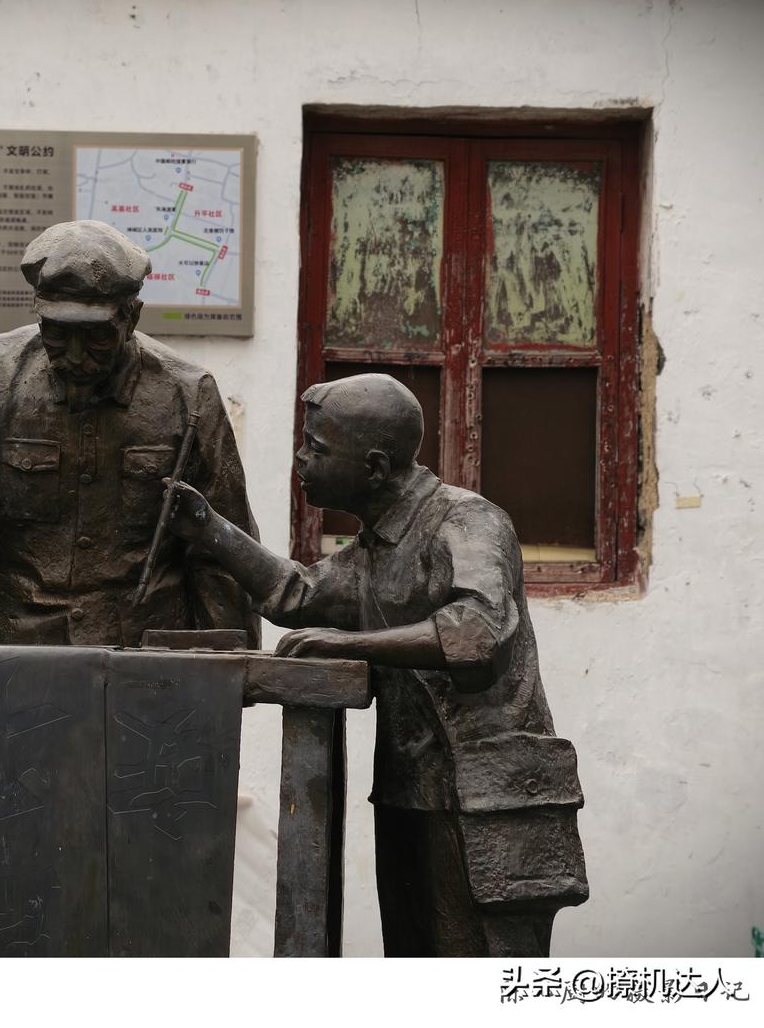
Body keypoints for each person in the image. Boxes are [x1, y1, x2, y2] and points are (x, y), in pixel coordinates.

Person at [165, 373, 587, 957]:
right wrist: (209, 528)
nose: (301, 460)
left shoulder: (467, 521)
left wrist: (350, 645)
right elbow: (297, 594)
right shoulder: (377, 546)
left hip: (487, 799)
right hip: (411, 795)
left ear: (374, 467)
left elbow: (476, 634)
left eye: (316, 447)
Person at [0, 219, 259, 647]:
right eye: (58, 334)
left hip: (142, 655)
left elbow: (224, 543)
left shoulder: (188, 395)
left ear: (132, 317)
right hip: (8, 649)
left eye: (97, 336)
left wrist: (231, 664)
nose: (77, 355)